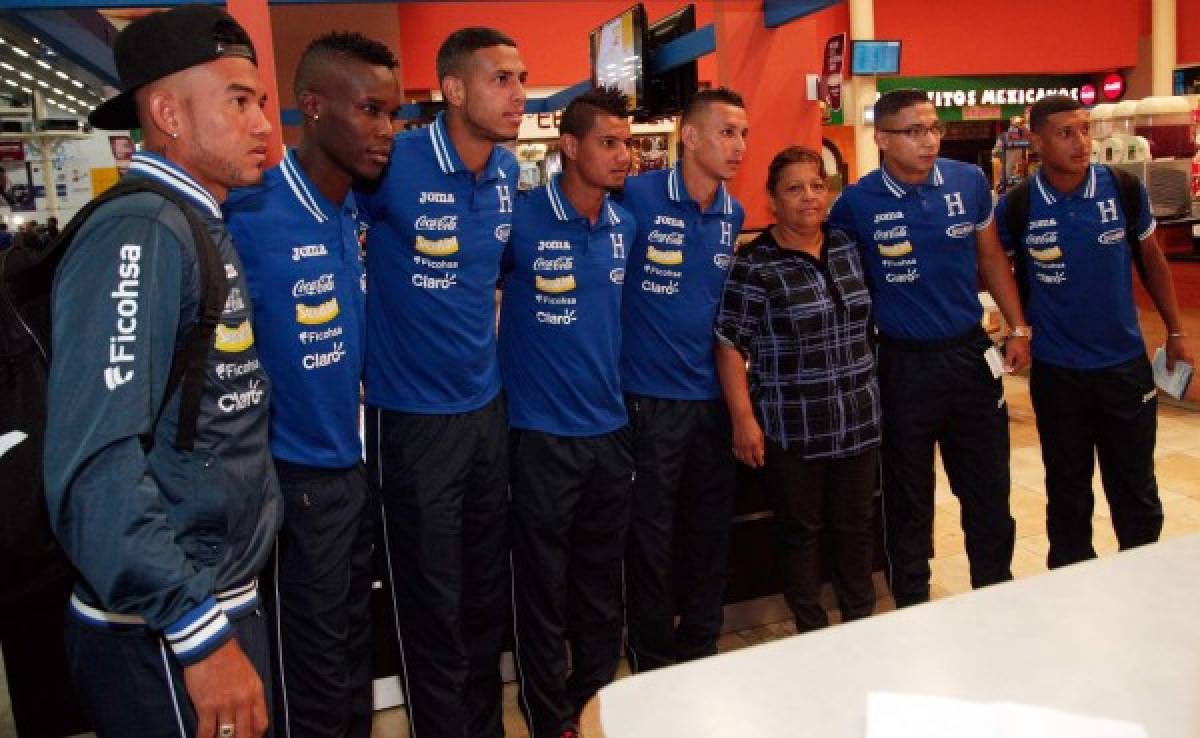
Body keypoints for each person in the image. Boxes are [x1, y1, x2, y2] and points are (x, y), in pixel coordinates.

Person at [42, 6, 280, 737]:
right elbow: (97, 462)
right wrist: (198, 632)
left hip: (210, 597)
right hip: (169, 626)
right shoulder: (140, 232)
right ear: (169, 113)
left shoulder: (195, 220)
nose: (265, 125)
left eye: (262, 102)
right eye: (238, 101)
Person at [224, 32, 399, 738]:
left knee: (353, 657)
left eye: (392, 113)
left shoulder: (352, 209)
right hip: (288, 484)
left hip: (350, 472)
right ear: (313, 107)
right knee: (313, 680)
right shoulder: (248, 215)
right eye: (370, 111)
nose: (386, 131)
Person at [358, 26, 525, 738]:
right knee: (432, 603)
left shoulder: (510, 170)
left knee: (488, 593)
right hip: (411, 419)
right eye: (501, 79)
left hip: (485, 410)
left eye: (521, 78)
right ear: (454, 90)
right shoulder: (392, 162)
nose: (519, 94)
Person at [828, 88, 1030, 608]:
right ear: (883, 139)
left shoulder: (967, 181)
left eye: (934, 128)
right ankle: (912, 603)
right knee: (908, 497)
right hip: (899, 364)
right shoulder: (856, 203)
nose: (929, 140)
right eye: (914, 131)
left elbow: (990, 260)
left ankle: (995, 590)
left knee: (987, 489)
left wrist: (1019, 327)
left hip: (968, 356)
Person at [996, 95, 1194, 568]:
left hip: (1124, 369)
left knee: (1135, 490)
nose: (1081, 142)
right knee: (1067, 492)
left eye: (1085, 130)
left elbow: (1153, 261)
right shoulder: (1018, 205)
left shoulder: (1123, 189)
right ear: (1037, 141)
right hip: (1058, 373)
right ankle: (1071, 589)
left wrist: (1176, 331)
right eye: (1066, 133)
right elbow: (993, 267)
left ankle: (1141, 576)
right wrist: (1016, 328)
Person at [501, 87, 636, 738]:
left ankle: (593, 709)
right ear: (570, 147)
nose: (624, 156)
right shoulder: (520, 221)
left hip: (609, 436)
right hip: (539, 437)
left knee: (599, 590)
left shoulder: (624, 225)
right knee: (542, 593)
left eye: (629, 143)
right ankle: (550, 719)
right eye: (609, 143)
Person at [715, 146, 881, 633]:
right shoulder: (755, 265)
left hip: (858, 420)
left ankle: (860, 624)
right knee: (800, 534)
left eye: (816, 185)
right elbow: (728, 342)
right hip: (793, 427)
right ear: (772, 200)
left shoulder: (849, 246)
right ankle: (810, 629)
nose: (809, 197)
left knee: (856, 529)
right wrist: (743, 420)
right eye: (794, 188)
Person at [619, 87, 747, 672]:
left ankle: (702, 645)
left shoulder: (733, 212)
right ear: (689, 137)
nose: (739, 145)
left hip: (711, 401)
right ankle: (649, 654)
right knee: (649, 539)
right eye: (727, 132)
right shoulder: (636, 198)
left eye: (744, 133)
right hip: (646, 401)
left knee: (709, 531)